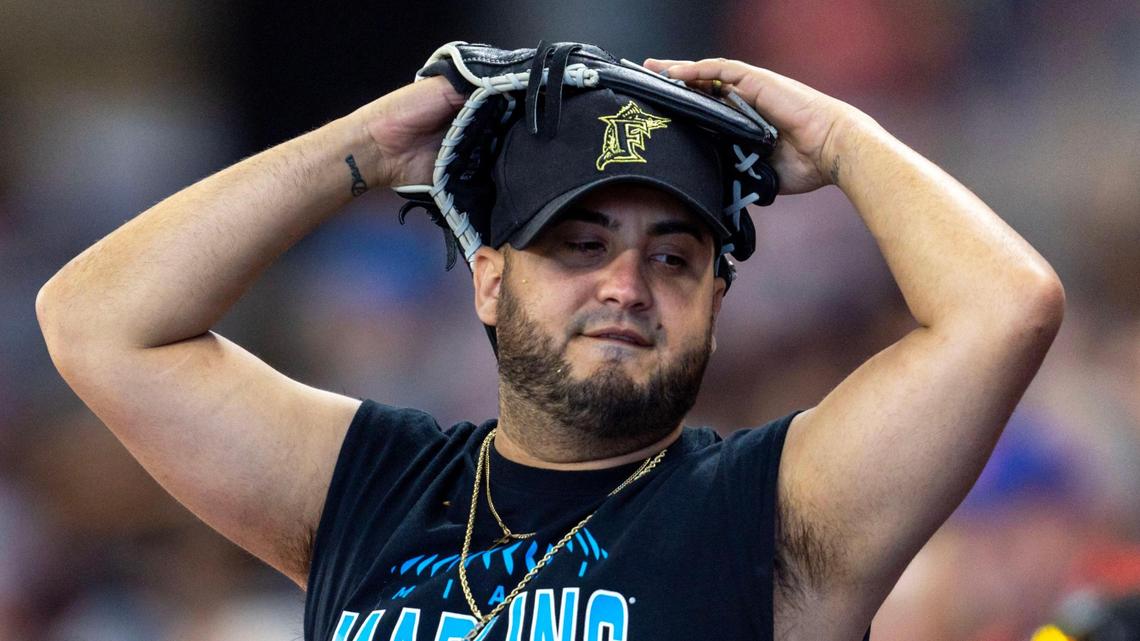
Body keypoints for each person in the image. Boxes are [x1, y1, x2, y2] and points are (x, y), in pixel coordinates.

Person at [36, 54, 1065, 641]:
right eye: (580, 244)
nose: (626, 284)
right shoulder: (371, 483)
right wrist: (365, 146)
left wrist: (841, 141)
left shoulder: (776, 511)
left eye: (674, 258)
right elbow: (96, 319)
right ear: (489, 278)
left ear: (715, 300)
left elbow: (1005, 307)